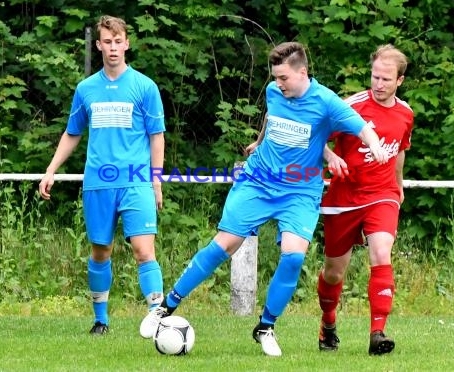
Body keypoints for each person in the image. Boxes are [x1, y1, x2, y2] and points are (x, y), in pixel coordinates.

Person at [140, 41, 388, 356]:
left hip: (299, 189)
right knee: (224, 245)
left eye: (284, 77)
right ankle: (166, 305)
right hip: (257, 181)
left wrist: (375, 145)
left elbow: (362, 128)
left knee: (294, 255)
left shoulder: (326, 102)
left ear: (302, 72)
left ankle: (266, 326)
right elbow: (272, 120)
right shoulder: (275, 92)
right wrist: (260, 142)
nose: (277, 83)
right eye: (275, 77)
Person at [38, 15, 166, 335]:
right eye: (106, 42)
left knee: (143, 249)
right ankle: (101, 321)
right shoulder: (86, 89)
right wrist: (51, 171)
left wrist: (156, 179)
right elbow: (72, 133)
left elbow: (157, 135)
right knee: (100, 251)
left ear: (127, 43)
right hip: (98, 182)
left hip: (136, 180)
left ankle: (157, 316)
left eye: (118, 41)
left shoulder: (144, 87)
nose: (113, 47)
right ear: (98, 46)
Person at [317, 44, 414, 355]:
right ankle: (328, 322)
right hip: (344, 196)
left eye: (386, 79)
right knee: (334, 271)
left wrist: (397, 188)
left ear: (400, 80)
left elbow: (398, 151)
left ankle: (378, 332)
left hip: (382, 195)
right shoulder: (351, 107)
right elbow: (314, 136)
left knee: (381, 251)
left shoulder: (405, 114)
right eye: (375, 77)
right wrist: (330, 156)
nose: (379, 84)